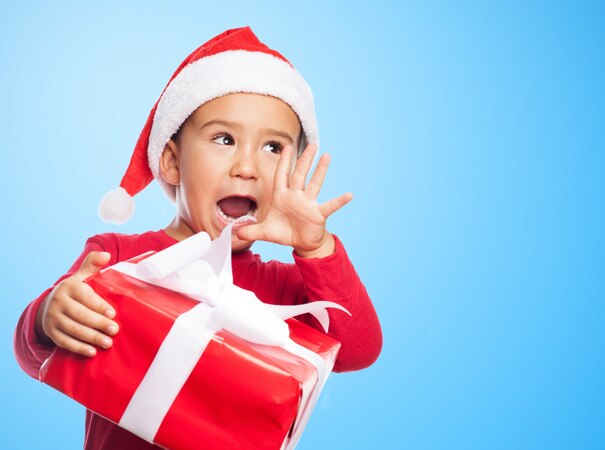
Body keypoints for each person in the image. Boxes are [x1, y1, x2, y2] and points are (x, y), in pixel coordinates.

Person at [14, 26, 382, 449]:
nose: (248, 167)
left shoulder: (284, 289)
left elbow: (358, 350)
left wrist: (316, 249)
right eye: (224, 139)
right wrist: (47, 318)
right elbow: (36, 356)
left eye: (274, 148)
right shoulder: (116, 259)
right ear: (171, 162)